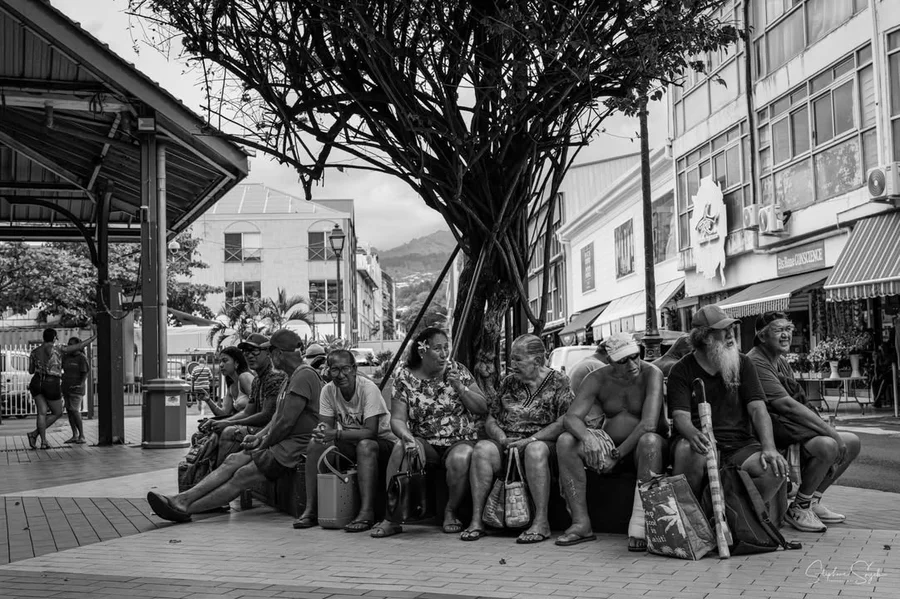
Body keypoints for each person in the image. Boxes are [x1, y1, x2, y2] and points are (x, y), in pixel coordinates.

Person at [147, 329, 320, 522]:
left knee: (242, 474)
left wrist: (263, 442)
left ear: (279, 353)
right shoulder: (289, 377)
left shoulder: (303, 376)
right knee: (232, 460)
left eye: (269, 352)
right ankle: (182, 500)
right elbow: (276, 419)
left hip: (294, 447)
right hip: (281, 442)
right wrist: (258, 437)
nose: (268, 357)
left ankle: (185, 507)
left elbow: (285, 423)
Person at [748, 311, 861, 532]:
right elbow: (786, 405)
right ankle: (799, 508)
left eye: (788, 329)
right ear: (762, 336)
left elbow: (796, 400)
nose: (785, 335)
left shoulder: (780, 361)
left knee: (852, 442)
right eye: (778, 330)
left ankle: (812, 501)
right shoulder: (755, 362)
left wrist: (827, 429)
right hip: (771, 432)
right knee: (829, 445)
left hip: (790, 426)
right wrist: (830, 432)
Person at [370, 327, 488, 538]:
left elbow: (482, 407)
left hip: (460, 440)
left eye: (446, 348)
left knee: (461, 457)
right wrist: (407, 437)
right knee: (400, 448)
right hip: (424, 441)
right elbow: (397, 419)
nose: (444, 354)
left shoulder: (458, 370)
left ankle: (450, 511)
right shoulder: (404, 377)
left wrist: (460, 387)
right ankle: (391, 517)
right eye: (437, 348)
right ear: (422, 351)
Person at [557, 332, 668, 551]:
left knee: (649, 441)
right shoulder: (597, 377)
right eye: (623, 360)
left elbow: (648, 424)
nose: (632, 364)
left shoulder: (652, 373)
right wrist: (588, 438)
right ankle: (581, 523)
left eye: (635, 356)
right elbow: (571, 417)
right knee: (565, 441)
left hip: (642, 447)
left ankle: (642, 525)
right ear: (610, 361)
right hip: (610, 444)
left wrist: (616, 455)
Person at [668, 305, 789, 504]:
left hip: (739, 444)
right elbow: (680, 417)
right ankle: (693, 516)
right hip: (701, 442)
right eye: (723, 330)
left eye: (731, 329)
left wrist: (769, 447)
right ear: (705, 337)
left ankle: (732, 515)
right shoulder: (681, 370)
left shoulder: (743, 363)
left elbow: (758, 409)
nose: (730, 334)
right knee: (690, 450)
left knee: (774, 470)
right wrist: (692, 434)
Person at [462, 334, 572, 544]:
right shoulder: (509, 382)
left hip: (541, 443)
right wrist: (502, 438)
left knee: (534, 450)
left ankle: (541, 522)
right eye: (512, 358)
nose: (512, 364)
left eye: (518, 359)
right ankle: (477, 520)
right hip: (508, 443)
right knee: (483, 449)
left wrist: (531, 440)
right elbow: (492, 419)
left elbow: (564, 421)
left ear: (537, 361)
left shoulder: (559, 381)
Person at [294, 349, 396, 532]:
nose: (341, 375)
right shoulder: (328, 390)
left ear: (354, 369)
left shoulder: (368, 389)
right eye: (335, 370)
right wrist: (321, 432)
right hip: (351, 442)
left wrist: (335, 434)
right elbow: (326, 427)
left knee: (365, 446)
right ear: (328, 371)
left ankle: (367, 512)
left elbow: (370, 432)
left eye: (345, 369)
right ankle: (310, 509)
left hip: (383, 443)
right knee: (316, 444)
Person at [209, 333, 287, 465]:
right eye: (246, 352)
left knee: (229, 432)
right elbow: (247, 412)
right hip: (260, 428)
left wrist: (229, 423)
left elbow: (266, 415)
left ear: (268, 353)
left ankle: (220, 471)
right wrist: (222, 421)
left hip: (271, 430)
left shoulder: (274, 377)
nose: (249, 356)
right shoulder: (257, 380)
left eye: (254, 351)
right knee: (214, 432)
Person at [26, 328, 96, 450]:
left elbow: (31, 371)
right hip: (51, 383)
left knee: (41, 412)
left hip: (36, 382)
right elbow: (79, 346)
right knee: (57, 412)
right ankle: (35, 435)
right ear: (54, 338)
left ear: (44, 337)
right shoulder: (58, 349)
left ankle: (43, 441)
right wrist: (93, 337)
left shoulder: (34, 352)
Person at [201, 347, 254, 418]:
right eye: (220, 362)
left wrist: (230, 421)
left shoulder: (245, 377)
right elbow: (224, 414)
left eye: (225, 361)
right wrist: (208, 400)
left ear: (236, 363)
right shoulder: (231, 387)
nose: (221, 365)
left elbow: (258, 405)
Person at [60, 336, 90, 445]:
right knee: (69, 410)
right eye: (69, 344)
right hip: (66, 387)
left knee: (75, 410)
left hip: (76, 389)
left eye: (72, 344)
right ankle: (74, 434)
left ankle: (82, 435)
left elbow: (85, 373)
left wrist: (80, 385)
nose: (69, 346)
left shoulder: (82, 358)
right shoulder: (66, 357)